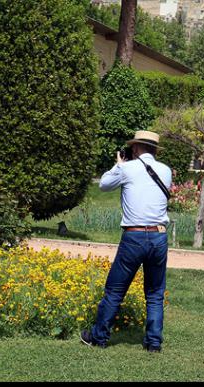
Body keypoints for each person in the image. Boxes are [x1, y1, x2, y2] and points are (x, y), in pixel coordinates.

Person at [80, 130, 172, 353]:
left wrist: (118, 164)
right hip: (159, 235)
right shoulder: (166, 171)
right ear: (154, 150)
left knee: (115, 290)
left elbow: (103, 184)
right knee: (154, 293)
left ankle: (99, 336)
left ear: (135, 148)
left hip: (134, 236)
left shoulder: (127, 168)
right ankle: (153, 343)